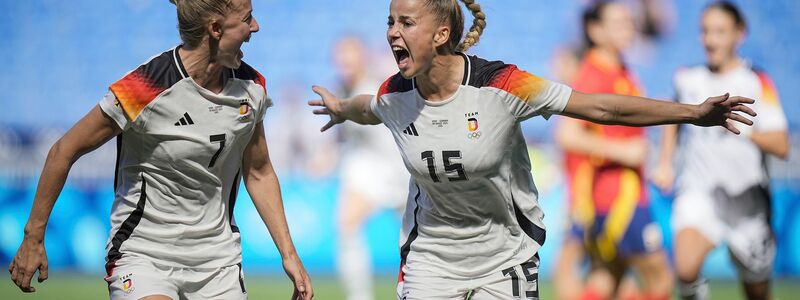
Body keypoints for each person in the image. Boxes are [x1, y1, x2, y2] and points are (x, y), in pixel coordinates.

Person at [309, 0, 755, 298]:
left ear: (442, 33)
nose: (392, 32)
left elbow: (601, 108)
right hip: (430, 261)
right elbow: (368, 107)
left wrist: (693, 113)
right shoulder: (394, 93)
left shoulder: (503, 84)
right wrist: (340, 108)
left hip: (503, 261)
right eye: (390, 21)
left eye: (406, 22)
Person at [7, 0, 314, 299]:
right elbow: (63, 150)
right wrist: (33, 236)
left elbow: (259, 172)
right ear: (216, 28)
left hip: (217, 262)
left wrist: (289, 255)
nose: (256, 27)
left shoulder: (252, 88)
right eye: (248, 18)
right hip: (144, 254)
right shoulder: (145, 87)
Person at [652, 2, 789, 300]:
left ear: (739, 33)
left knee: (757, 292)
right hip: (699, 193)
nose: (710, 40)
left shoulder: (757, 82)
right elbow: (672, 120)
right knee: (686, 269)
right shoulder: (686, 78)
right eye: (705, 31)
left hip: (747, 205)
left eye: (719, 32)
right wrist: (665, 162)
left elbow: (781, 144)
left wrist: (746, 131)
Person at [554, 2, 672, 300]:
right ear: (595, 30)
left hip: (618, 193)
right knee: (660, 280)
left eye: (629, 21)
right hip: (618, 197)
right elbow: (567, 135)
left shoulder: (620, 70)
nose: (628, 28)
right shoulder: (593, 75)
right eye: (619, 22)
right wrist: (624, 151)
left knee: (608, 280)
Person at [332, 36, 409, 300]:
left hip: (398, 166)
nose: (346, 65)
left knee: (414, 238)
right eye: (341, 60)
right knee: (347, 223)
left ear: (362, 58)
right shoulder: (341, 90)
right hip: (366, 167)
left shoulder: (378, 84)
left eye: (350, 58)